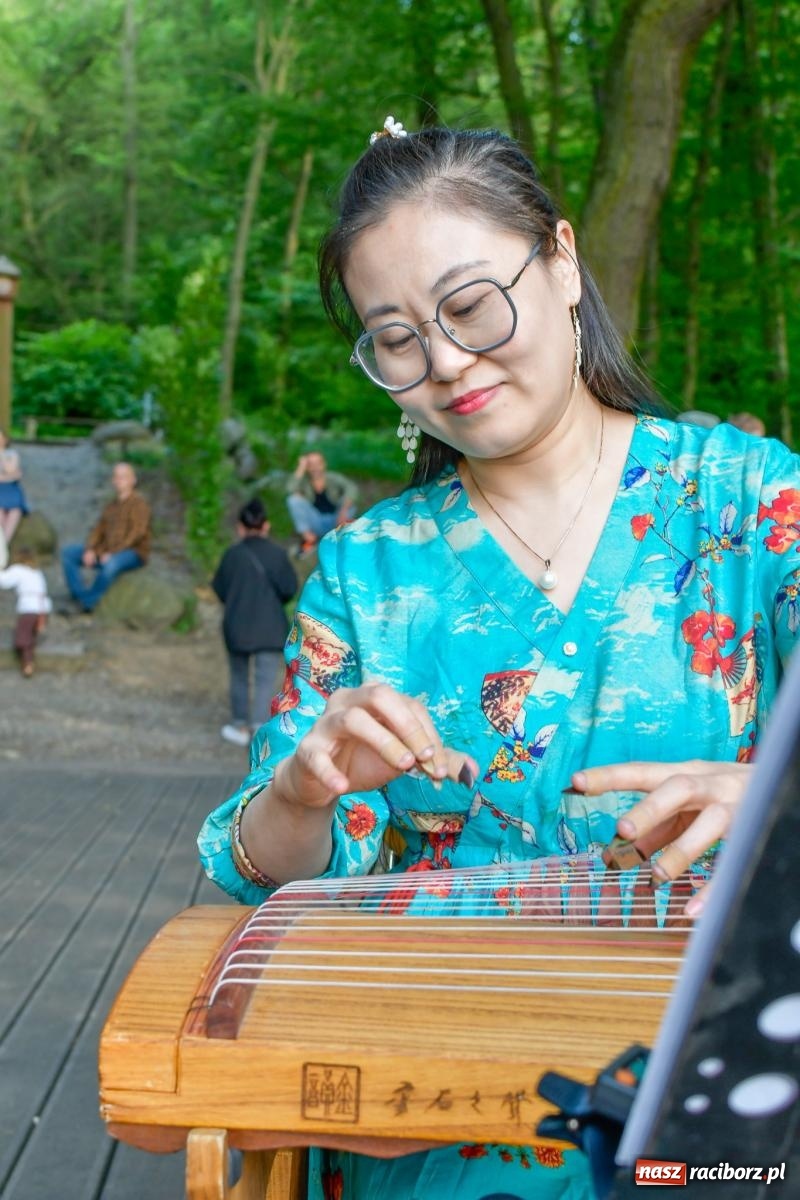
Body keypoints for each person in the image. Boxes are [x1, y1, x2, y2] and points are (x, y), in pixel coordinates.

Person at [199, 121, 800, 1200]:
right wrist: (299, 787)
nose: (445, 364)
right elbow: (266, 871)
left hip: (707, 1097)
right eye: (396, 338)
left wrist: (772, 796)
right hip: (429, 1101)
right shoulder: (368, 570)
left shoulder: (750, 503)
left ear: (562, 261)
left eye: (470, 307)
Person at [212, 497, 298, 747]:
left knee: (239, 676)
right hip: (269, 628)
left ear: (240, 527)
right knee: (264, 679)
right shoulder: (277, 554)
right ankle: (259, 728)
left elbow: (220, 589)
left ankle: (239, 726)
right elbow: (289, 588)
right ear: (266, 526)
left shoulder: (232, 555)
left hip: (236, 626)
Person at [61, 461, 151, 612]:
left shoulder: (139, 504)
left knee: (111, 565)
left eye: (123, 477)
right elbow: (98, 530)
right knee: (69, 553)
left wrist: (113, 553)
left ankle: (88, 603)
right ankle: (80, 595)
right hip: (106, 550)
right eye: (116, 477)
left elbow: (137, 533)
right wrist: (90, 549)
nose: (119, 480)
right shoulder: (111, 506)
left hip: (132, 553)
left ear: (132, 480)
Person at [286, 450, 358, 556]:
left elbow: (352, 489)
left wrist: (343, 510)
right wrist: (301, 467)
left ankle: (342, 539)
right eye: (310, 464)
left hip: (337, 520)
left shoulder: (333, 478)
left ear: (323, 464)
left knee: (350, 505)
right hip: (316, 522)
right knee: (293, 499)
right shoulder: (305, 482)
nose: (315, 468)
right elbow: (290, 489)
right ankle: (310, 539)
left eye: (317, 463)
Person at [0, 544, 52, 677]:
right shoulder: (36, 572)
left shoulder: (19, 570)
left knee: (22, 637)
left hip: (29, 607)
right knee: (31, 634)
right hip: (43, 607)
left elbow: (4, 581)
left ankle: (28, 663)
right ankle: (29, 659)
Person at [0, 428, 29, 544]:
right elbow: (14, 473)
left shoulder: (12, 453)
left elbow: (11, 469)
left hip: (11, 490)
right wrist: (11, 475)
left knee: (14, 513)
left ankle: (4, 545)